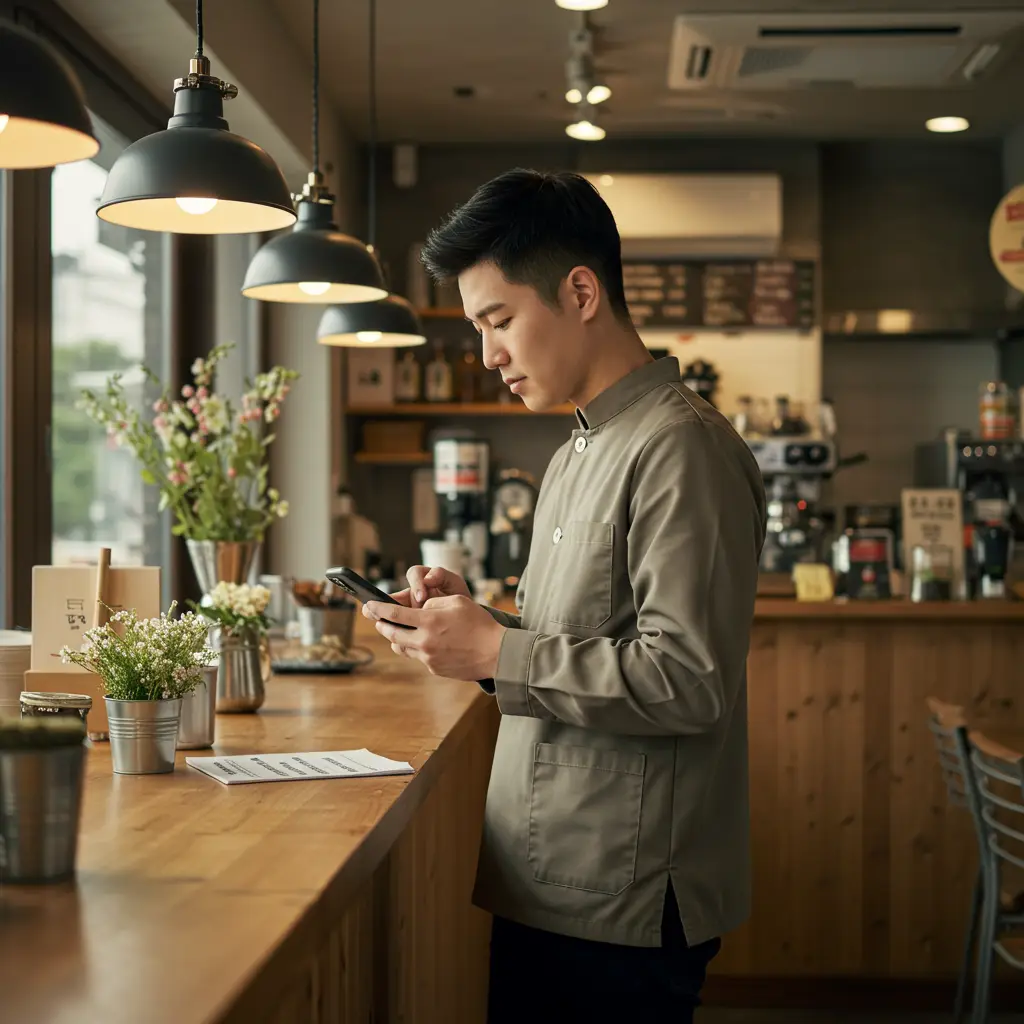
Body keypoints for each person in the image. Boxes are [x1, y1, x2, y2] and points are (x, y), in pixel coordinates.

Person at [362, 168, 767, 1022]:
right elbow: (583, 641)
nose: (487, 355)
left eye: (498, 321)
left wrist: (499, 649)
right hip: (555, 871)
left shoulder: (679, 448)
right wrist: (475, 628)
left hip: (619, 893)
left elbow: (688, 680)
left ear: (581, 291)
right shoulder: (581, 445)